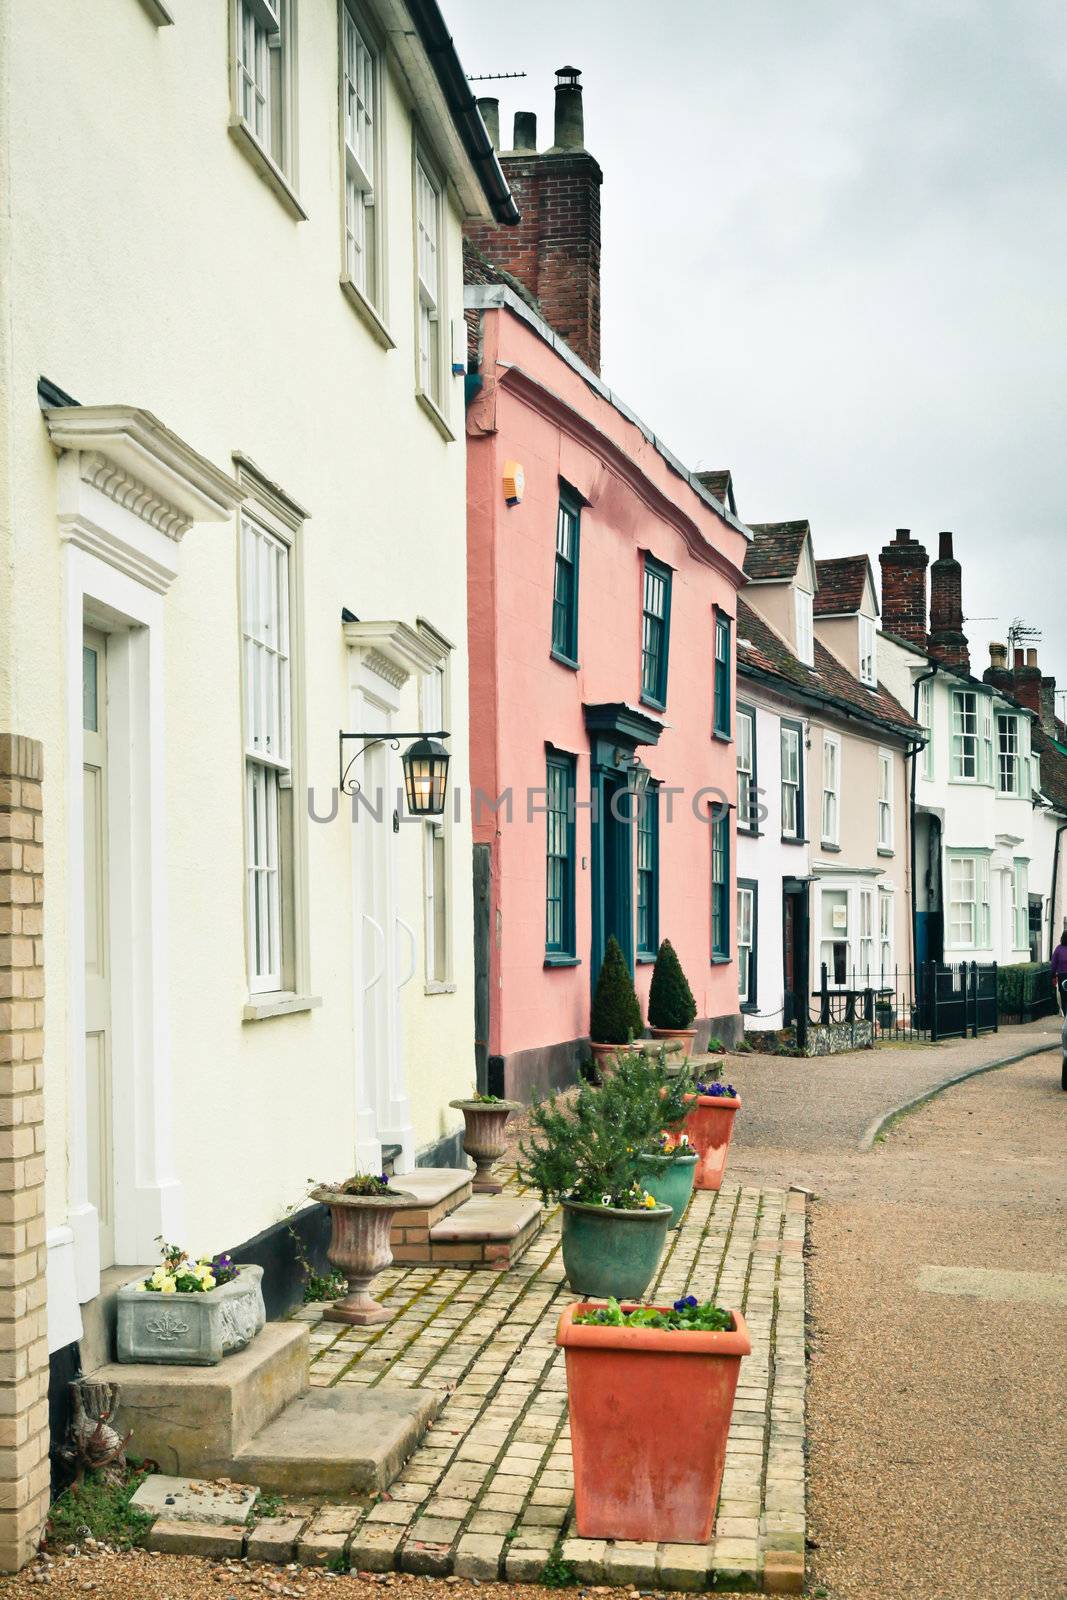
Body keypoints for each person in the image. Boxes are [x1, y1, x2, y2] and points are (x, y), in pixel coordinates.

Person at [1053, 930, 1067, 1015]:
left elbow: (1054, 963)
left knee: (1064, 998)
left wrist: (1053, 976)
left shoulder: (1058, 949)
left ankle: (1066, 1017)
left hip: (1062, 976)